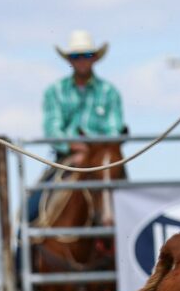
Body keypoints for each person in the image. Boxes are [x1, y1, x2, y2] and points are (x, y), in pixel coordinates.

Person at [28, 30, 124, 225]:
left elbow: (115, 130)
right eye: (76, 56)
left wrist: (91, 150)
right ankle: (20, 252)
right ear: (69, 60)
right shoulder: (55, 91)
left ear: (95, 58)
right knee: (30, 210)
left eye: (87, 55)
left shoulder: (109, 92)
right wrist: (72, 146)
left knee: (134, 206)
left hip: (104, 162)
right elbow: (52, 128)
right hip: (67, 160)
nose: (81, 60)